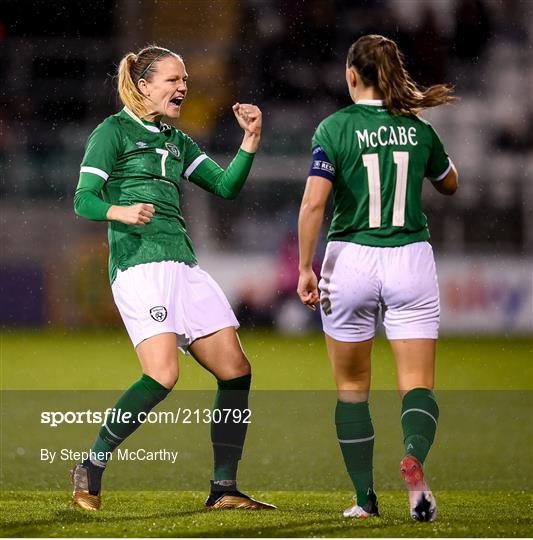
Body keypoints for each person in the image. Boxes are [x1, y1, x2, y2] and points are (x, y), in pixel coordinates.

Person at [71, 45, 275, 512]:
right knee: (162, 374)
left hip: (182, 264)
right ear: (144, 86)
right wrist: (119, 209)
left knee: (236, 370)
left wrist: (250, 140)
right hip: (139, 265)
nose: (183, 87)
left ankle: (224, 489)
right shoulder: (112, 132)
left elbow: (225, 187)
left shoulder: (176, 140)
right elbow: (83, 199)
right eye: (173, 79)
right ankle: (91, 465)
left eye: (185, 80)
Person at [297, 34, 458, 522]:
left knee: (351, 386)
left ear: (351, 76)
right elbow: (450, 183)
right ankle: (413, 456)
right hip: (410, 257)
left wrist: (306, 267)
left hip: (350, 260)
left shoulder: (334, 127)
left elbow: (313, 203)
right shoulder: (417, 127)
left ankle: (366, 500)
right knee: (417, 384)